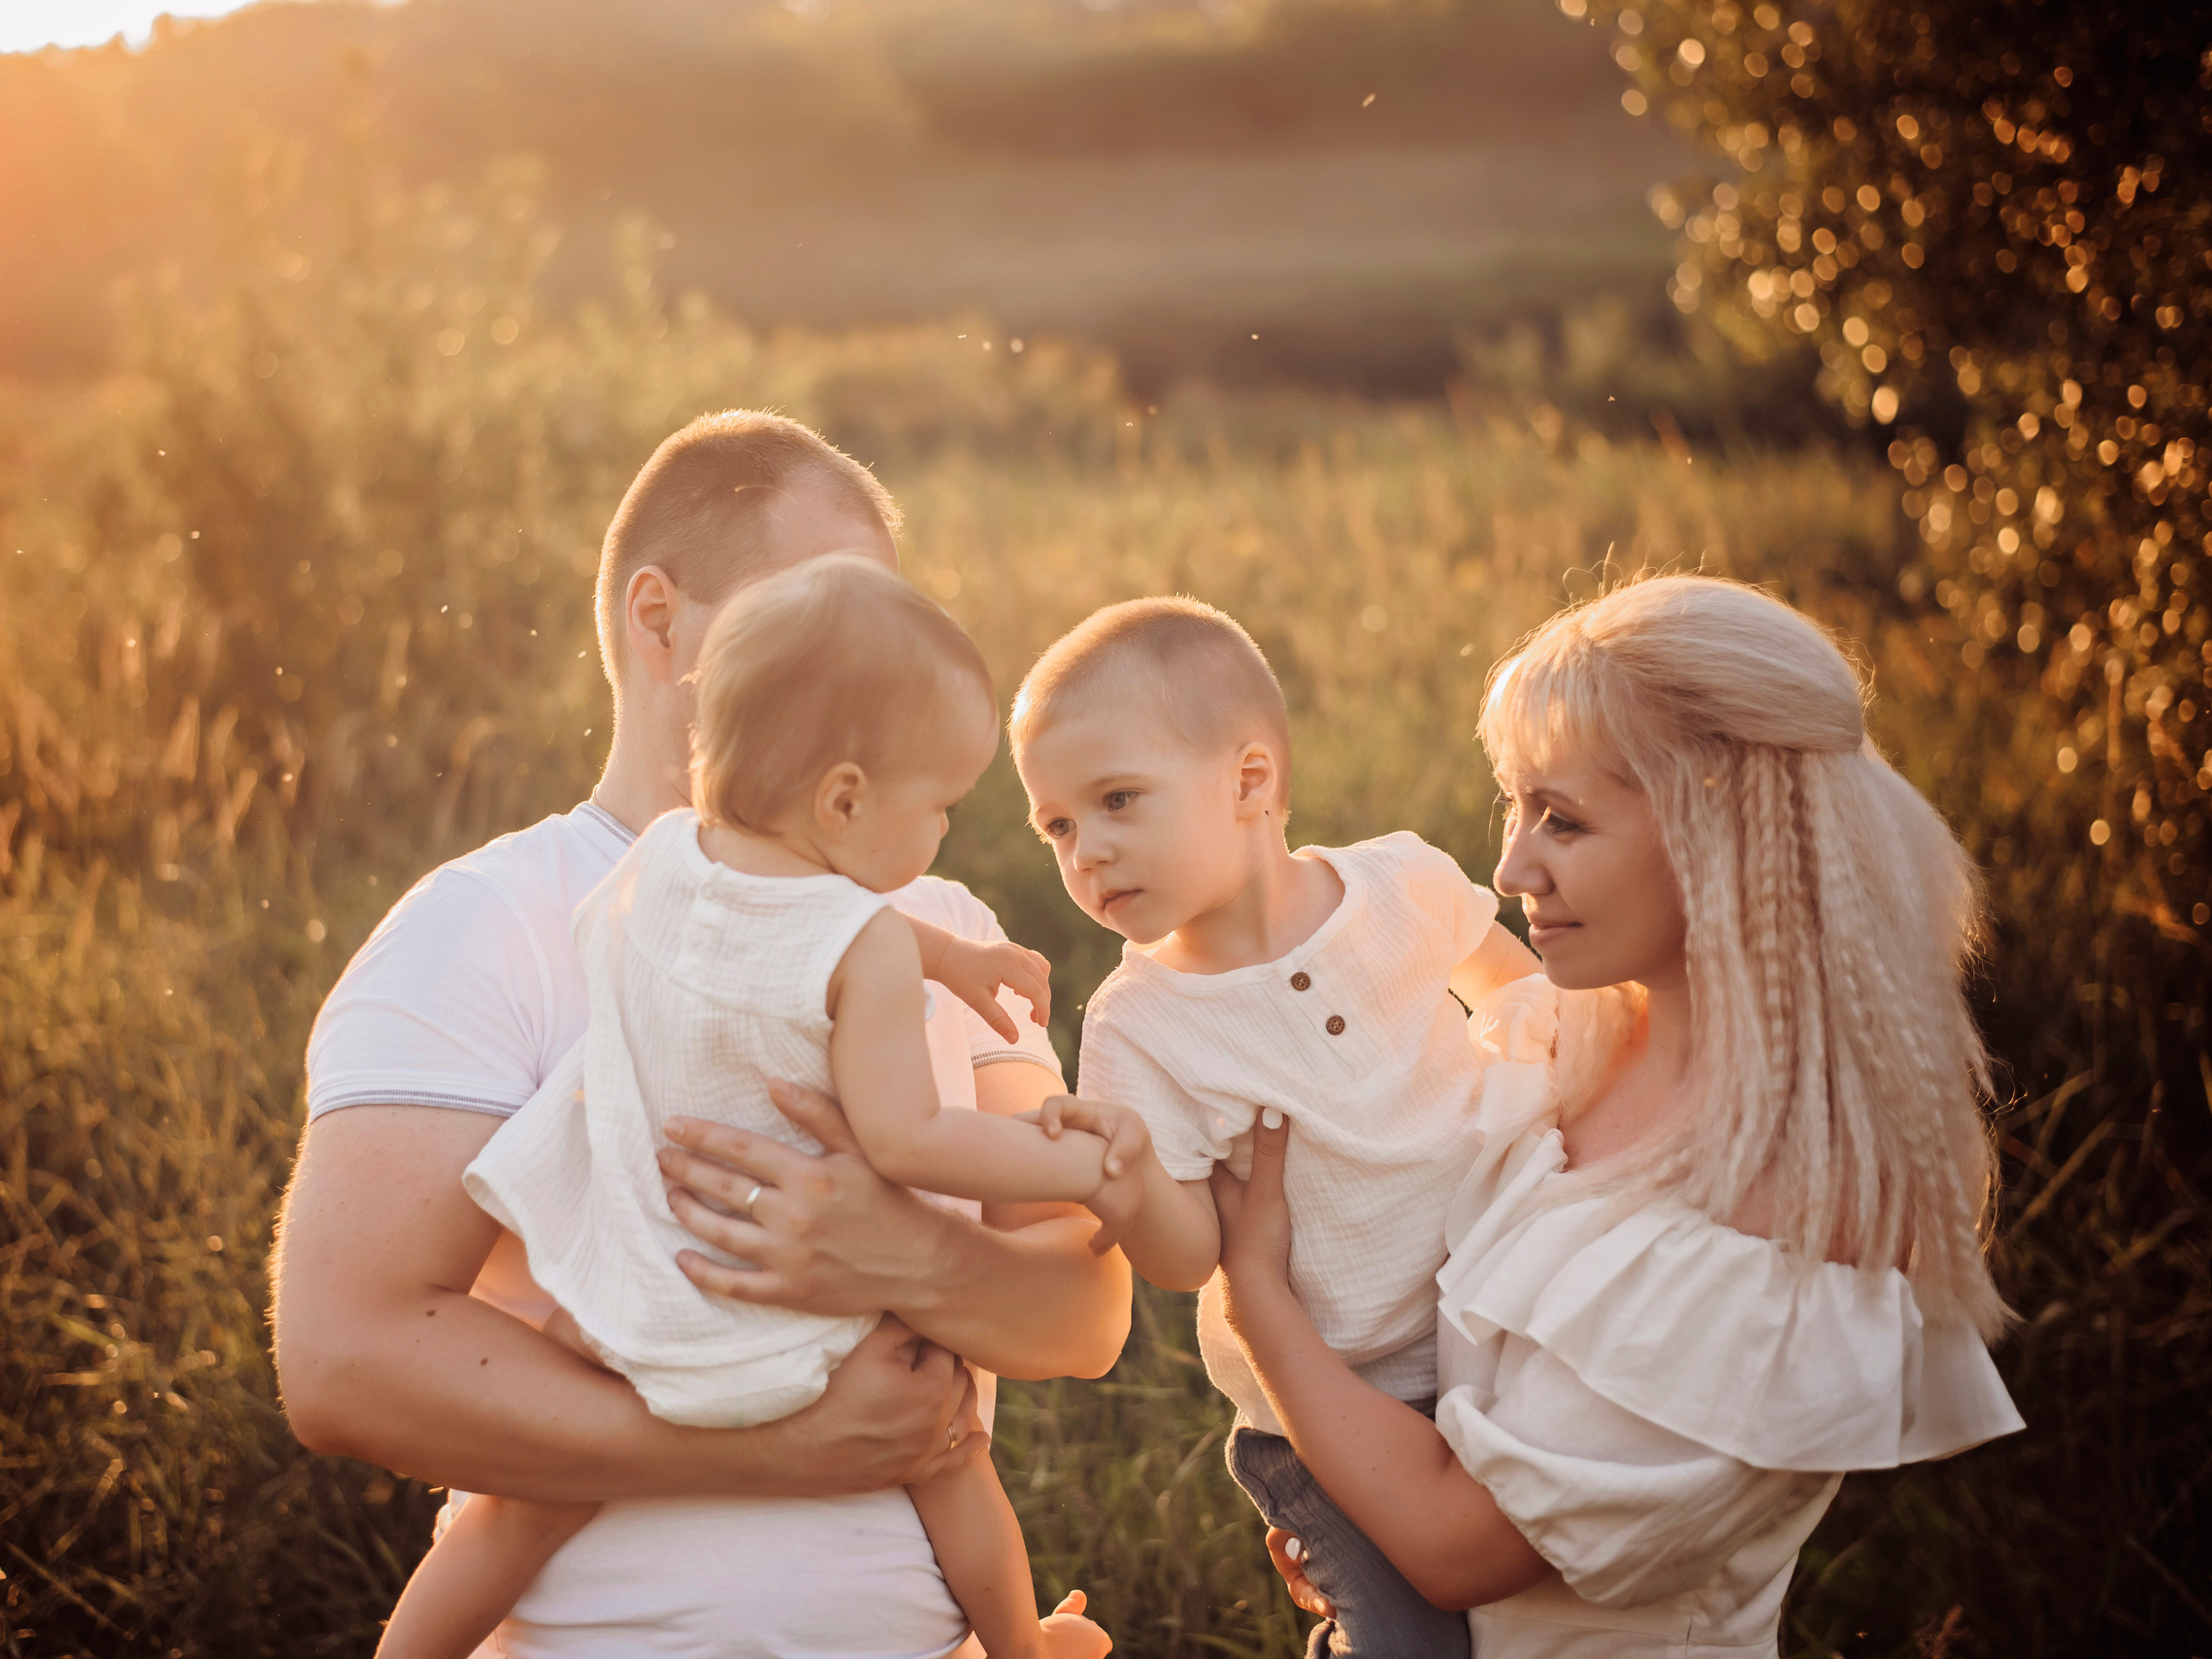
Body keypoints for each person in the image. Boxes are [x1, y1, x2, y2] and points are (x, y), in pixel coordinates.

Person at [271, 413, 1132, 1659]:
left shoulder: (935, 920)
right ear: (658, 618)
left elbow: (1083, 1316)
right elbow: (343, 1360)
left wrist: (894, 1253)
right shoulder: (486, 923)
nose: (859, 668)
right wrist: (758, 1445)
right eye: (809, 605)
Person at [1210, 576, 2025, 1659]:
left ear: (1718, 834)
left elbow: (1455, 1544)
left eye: (1564, 817)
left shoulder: (1775, 1212)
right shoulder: (1573, 1038)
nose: (1510, 867)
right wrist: (1350, 1520)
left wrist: (1257, 1291)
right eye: (1515, 803)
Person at [1009, 596, 1545, 1659]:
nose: (1086, 851)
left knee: (1538, 1615)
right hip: (1319, 1406)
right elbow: (1190, 1253)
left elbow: (1510, 980)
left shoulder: (1395, 883)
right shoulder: (1142, 1020)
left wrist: (1535, 1055)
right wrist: (1126, 1184)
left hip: (1494, 1340)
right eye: (1058, 825)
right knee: (1412, 1645)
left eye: (1118, 800)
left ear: (1248, 781)